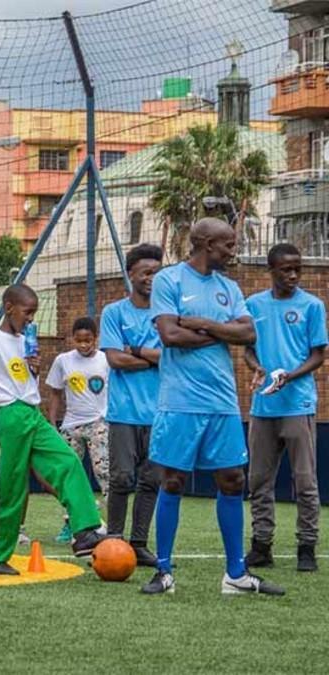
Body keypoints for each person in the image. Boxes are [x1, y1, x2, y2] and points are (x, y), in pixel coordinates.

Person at [141, 217, 281, 596]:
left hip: (222, 402)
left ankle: (236, 574)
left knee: (233, 480)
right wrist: (222, 333)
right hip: (180, 402)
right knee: (172, 480)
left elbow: (249, 333)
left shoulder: (230, 288)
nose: (233, 252)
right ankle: (164, 572)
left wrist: (202, 324)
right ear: (205, 243)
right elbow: (169, 336)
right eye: (228, 245)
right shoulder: (169, 280)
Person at [0, 285, 105, 575]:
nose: (31, 318)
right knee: (12, 485)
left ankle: (84, 530)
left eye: (34, 312)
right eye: (28, 311)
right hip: (6, 415)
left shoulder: (25, 341)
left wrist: (33, 367)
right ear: (9, 307)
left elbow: (22, 378)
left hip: (32, 413)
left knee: (68, 460)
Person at [243, 243, 325, 573]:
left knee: (305, 481)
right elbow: (248, 349)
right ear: (271, 270)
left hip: (298, 404)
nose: (293, 275)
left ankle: (307, 547)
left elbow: (319, 354)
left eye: (297, 269)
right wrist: (256, 368)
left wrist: (290, 376)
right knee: (258, 480)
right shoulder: (253, 305)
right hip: (263, 407)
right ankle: (261, 546)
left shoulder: (312, 305)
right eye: (286, 269)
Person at [98, 243, 163, 566]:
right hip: (124, 413)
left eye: (157, 272)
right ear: (131, 275)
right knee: (122, 478)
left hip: (160, 413)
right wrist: (151, 358)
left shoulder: (167, 315)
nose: (152, 278)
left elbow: (171, 360)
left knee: (152, 480)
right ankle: (113, 542)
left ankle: (138, 544)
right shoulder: (114, 312)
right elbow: (114, 359)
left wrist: (135, 350)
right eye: (146, 272)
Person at [45, 316, 110, 544]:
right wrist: (53, 423)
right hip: (71, 425)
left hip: (99, 424)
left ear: (96, 338)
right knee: (67, 477)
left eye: (88, 340)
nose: (84, 344)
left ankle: (113, 526)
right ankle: (70, 524)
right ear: (73, 339)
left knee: (105, 474)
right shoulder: (63, 361)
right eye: (79, 340)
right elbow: (55, 393)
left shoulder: (105, 360)